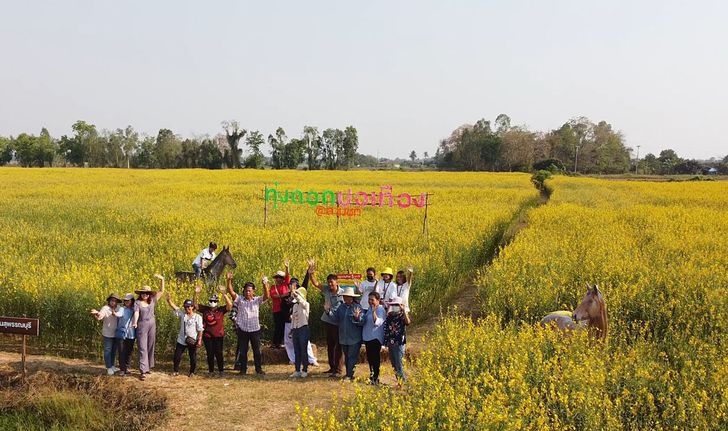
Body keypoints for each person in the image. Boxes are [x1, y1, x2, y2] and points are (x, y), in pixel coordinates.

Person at [308, 259, 344, 376]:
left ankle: (338, 370)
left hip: (338, 323)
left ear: (337, 282)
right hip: (328, 321)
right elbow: (315, 283)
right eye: (328, 282)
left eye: (332, 282)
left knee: (338, 346)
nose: (330, 284)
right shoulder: (327, 289)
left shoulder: (343, 294)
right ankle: (332, 367)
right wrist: (311, 272)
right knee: (330, 345)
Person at [227, 275, 269, 375]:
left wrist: (264, 284)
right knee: (243, 351)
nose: (247, 292)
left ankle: (258, 369)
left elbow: (267, 296)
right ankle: (243, 369)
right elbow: (231, 291)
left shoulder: (257, 300)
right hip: (243, 330)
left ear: (253, 291)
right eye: (246, 290)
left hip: (255, 330)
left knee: (257, 351)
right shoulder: (240, 299)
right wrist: (229, 280)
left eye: (249, 291)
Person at [194, 276, 232, 376]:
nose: (212, 303)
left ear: (217, 302)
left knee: (219, 354)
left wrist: (224, 294)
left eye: (215, 301)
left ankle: (221, 371)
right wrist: (196, 293)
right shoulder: (205, 309)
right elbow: (195, 305)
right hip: (208, 336)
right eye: (211, 301)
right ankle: (211, 371)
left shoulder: (221, 310)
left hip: (218, 336)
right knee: (210, 354)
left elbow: (230, 306)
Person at [324, 286, 363, 381]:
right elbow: (335, 318)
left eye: (348, 297)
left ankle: (349, 375)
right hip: (343, 337)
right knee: (347, 357)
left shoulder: (357, 307)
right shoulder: (341, 307)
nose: (346, 298)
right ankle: (349, 374)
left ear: (352, 298)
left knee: (352, 357)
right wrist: (328, 312)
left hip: (354, 338)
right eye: (345, 296)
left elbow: (362, 322)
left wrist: (357, 317)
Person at [132, 273, 165, 381]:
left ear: (149, 294)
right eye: (143, 293)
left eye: (146, 293)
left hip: (152, 324)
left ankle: (148, 367)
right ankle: (142, 370)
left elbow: (161, 291)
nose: (144, 295)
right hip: (142, 324)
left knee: (151, 345)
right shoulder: (137, 302)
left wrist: (162, 279)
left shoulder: (153, 300)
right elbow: (136, 313)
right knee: (142, 347)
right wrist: (135, 322)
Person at [283, 276, 319, 368]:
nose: (293, 287)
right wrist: (291, 295)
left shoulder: (302, 299)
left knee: (305, 343)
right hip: (290, 323)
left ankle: (311, 360)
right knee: (289, 342)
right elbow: (286, 304)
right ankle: (293, 360)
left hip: (302, 325)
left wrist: (308, 272)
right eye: (291, 285)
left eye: (295, 286)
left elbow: (304, 289)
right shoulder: (286, 297)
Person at [165, 294, 203, 377]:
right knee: (177, 356)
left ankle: (192, 372)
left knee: (192, 356)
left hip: (192, 340)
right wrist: (169, 300)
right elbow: (175, 307)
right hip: (182, 339)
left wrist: (199, 340)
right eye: (186, 307)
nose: (187, 308)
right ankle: (176, 371)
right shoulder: (183, 314)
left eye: (189, 306)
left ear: (193, 307)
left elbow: (200, 330)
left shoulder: (198, 317)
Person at [354, 291, 386, 385]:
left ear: (378, 300)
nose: (370, 301)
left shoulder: (380, 309)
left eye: (372, 299)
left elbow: (378, 322)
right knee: (370, 359)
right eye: (369, 299)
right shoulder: (369, 308)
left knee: (375, 359)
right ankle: (372, 376)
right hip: (368, 338)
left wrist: (373, 312)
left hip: (375, 338)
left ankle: (375, 378)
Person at [90, 293, 123, 375]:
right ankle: (108, 367)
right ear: (109, 301)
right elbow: (100, 316)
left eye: (115, 301)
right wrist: (97, 313)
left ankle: (112, 366)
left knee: (114, 351)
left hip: (116, 333)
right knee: (108, 350)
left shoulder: (119, 308)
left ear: (117, 302)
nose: (113, 302)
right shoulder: (105, 308)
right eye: (112, 300)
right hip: (107, 333)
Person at [383, 296, 411, 385]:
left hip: (399, 342)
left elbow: (408, 322)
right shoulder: (390, 315)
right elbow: (386, 329)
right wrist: (385, 342)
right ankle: (400, 381)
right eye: (393, 305)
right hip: (391, 342)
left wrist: (403, 310)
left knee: (399, 363)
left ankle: (403, 382)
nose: (394, 306)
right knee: (394, 363)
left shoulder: (402, 315)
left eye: (396, 305)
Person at [289, 286, 310, 378]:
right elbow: (293, 319)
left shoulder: (306, 304)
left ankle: (305, 369)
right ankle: (297, 370)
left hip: (303, 329)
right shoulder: (295, 306)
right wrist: (291, 329)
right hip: (295, 329)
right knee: (296, 350)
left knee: (303, 350)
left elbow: (302, 302)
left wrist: (296, 295)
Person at [270, 260, 291, 348]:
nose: (278, 279)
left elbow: (288, 276)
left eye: (280, 277)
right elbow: (273, 296)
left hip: (285, 309)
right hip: (277, 309)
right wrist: (283, 295)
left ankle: (282, 342)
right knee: (278, 326)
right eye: (277, 277)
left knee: (285, 326)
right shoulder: (273, 287)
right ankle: (275, 343)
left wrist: (286, 267)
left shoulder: (285, 284)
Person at [116, 293, 136, 377]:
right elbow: (119, 314)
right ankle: (122, 369)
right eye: (125, 300)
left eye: (128, 300)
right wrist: (115, 314)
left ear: (132, 301)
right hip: (121, 333)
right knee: (121, 351)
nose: (126, 302)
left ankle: (127, 368)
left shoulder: (135, 310)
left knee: (129, 352)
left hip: (131, 334)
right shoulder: (122, 309)